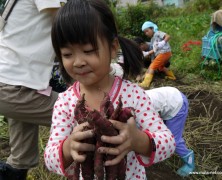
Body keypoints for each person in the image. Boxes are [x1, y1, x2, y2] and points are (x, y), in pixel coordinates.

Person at [44, 0, 176, 179]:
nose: (78, 62)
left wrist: (137, 140)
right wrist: (68, 147)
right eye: (67, 54)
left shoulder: (133, 95)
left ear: (113, 48)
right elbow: (50, 159)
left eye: (88, 50)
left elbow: (168, 143)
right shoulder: (65, 102)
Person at [0, 0, 66, 179]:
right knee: (84, 114)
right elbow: (68, 24)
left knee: (21, 158)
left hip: (18, 81)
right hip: (13, 86)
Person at [145, 87, 195, 177]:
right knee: (158, 133)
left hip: (177, 104)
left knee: (172, 139)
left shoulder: (138, 108)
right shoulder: (131, 100)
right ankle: (160, 152)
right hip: (168, 98)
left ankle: (189, 162)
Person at [139, 21, 176, 89]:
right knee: (160, 67)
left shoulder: (158, 33)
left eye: (147, 31)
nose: (146, 33)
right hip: (163, 54)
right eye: (144, 32)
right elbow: (154, 50)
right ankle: (172, 77)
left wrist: (163, 42)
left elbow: (168, 36)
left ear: (152, 28)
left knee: (152, 67)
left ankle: (146, 83)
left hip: (164, 52)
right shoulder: (152, 39)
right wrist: (152, 59)